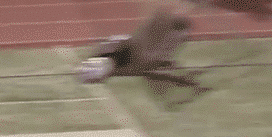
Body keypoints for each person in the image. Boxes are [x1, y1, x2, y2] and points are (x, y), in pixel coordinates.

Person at [76, 10, 206, 94]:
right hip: (133, 55)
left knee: (154, 60)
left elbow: (118, 42)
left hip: (134, 54)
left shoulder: (124, 55)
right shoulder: (122, 59)